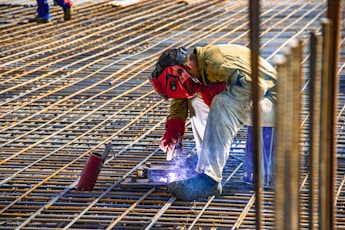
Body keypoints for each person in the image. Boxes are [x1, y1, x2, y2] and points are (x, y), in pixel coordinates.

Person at [149, 44, 277, 201]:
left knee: (221, 101)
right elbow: (182, 95)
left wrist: (219, 91)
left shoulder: (217, 63)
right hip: (258, 101)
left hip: (275, 102)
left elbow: (256, 88)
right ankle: (206, 160)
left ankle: (209, 179)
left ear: (184, 69)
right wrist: (174, 130)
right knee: (196, 98)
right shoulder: (199, 66)